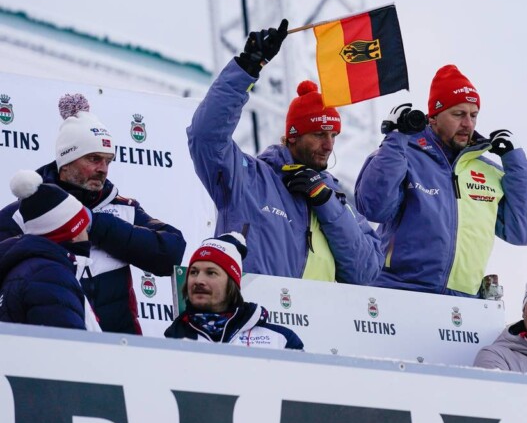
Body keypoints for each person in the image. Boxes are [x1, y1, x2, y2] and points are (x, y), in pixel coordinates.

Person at [187, 20, 383, 284]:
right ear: (292, 136)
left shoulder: (335, 199)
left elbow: (366, 273)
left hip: (322, 322)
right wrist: (246, 69)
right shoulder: (248, 179)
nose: (329, 145)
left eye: (333, 135)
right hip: (255, 319)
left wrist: (325, 203)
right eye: (318, 134)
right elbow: (205, 137)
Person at [0, 94, 186, 334]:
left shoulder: (124, 209)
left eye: (108, 161)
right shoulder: (25, 212)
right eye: (94, 159)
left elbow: (171, 252)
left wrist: (93, 224)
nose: (103, 169)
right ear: (66, 161)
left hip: (120, 350)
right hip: (47, 349)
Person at [354, 64, 527, 297]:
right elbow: (374, 208)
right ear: (433, 117)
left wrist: (517, 164)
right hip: (398, 294)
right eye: (458, 114)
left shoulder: (488, 171)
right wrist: (394, 139)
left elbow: (521, 232)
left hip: (462, 304)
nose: (468, 124)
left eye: (473, 115)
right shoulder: (402, 155)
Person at [165, 232, 303, 349]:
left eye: (211, 273)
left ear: (232, 282)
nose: (198, 280)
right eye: (194, 272)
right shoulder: (172, 339)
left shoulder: (280, 340)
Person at [0, 170, 100, 331]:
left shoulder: (30, 269)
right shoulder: (50, 275)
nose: (87, 234)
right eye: (84, 227)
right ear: (72, 234)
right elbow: (68, 348)